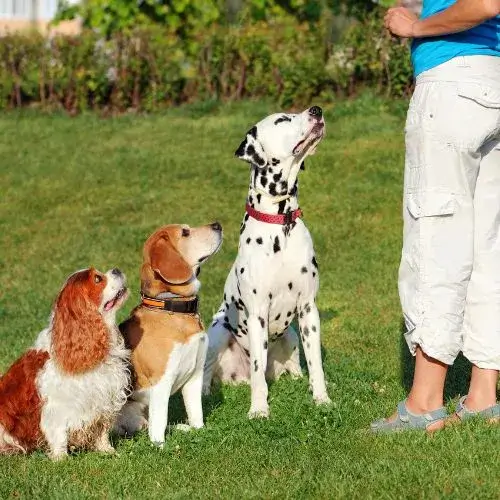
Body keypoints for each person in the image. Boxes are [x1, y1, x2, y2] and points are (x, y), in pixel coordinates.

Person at [372, 0, 500, 432]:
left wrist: (417, 26)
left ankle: (425, 401)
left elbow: (484, 3)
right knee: (489, 246)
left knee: (436, 240)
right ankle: (483, 395)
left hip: (451, 86)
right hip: (495, 83)